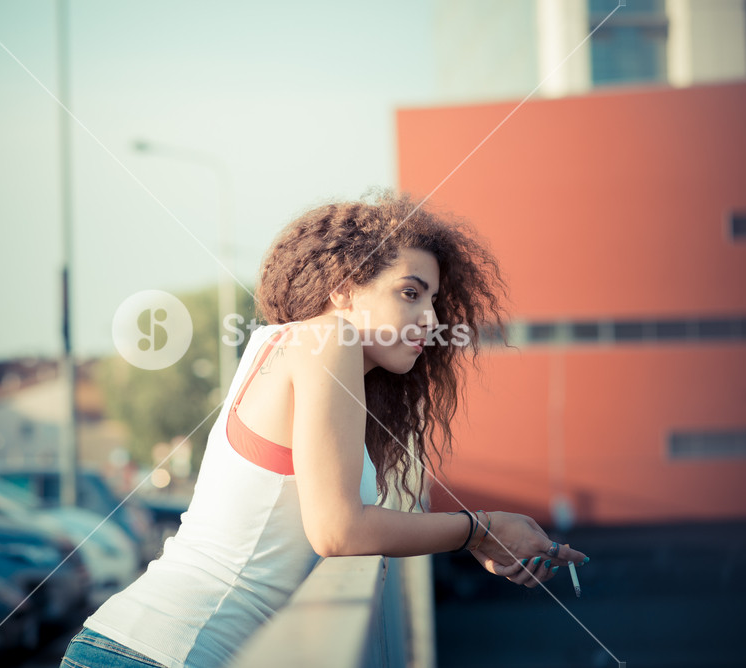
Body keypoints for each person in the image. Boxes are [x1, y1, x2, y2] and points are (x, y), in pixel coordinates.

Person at [60, 191, 587, 668]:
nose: (430, 318)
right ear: (343, 291)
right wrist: (481, 529)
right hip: (154, 654)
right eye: (410, 293)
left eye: (433, 301)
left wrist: (482, 540)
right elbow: (339, 530)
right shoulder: (326, 339)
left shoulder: (288, 348)